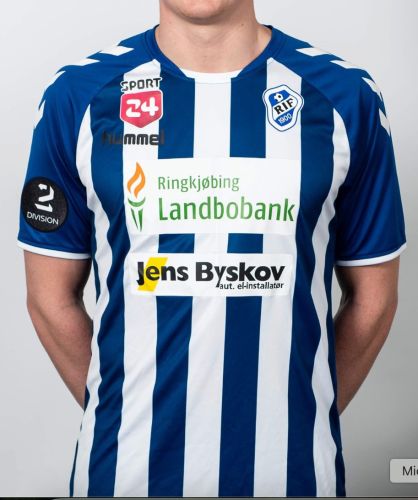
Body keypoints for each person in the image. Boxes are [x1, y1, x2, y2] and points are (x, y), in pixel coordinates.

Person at [18, 0, 406, 497]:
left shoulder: (346, 97)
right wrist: (125, 409)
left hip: (293, 478)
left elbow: (374, 300)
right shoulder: (76, 98)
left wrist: (298, 414)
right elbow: (49, 299)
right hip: (123, 477)